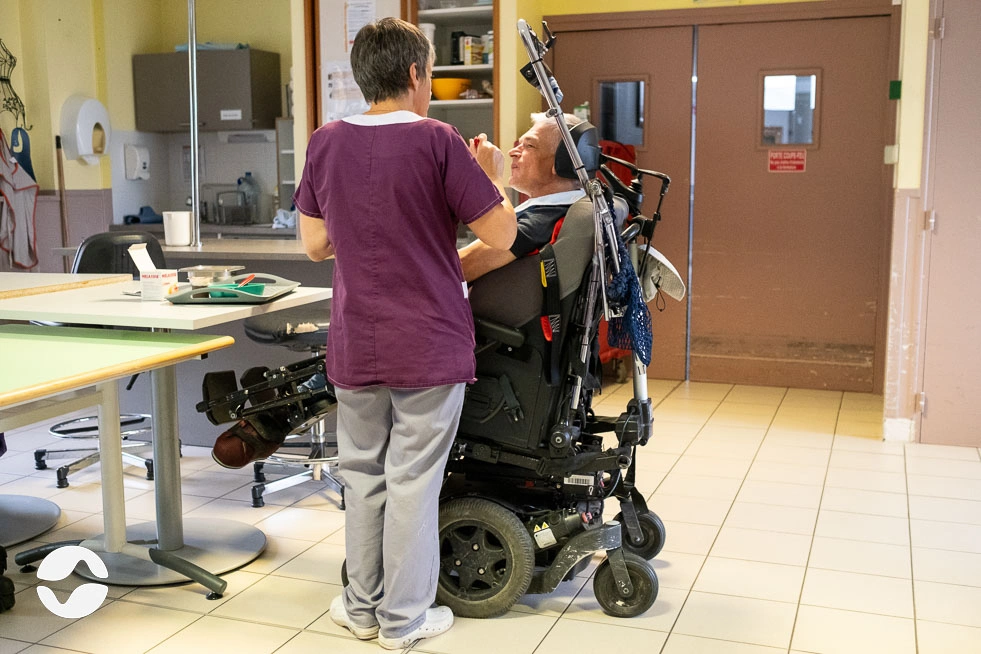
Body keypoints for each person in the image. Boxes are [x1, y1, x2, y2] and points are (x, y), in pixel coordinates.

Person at [292, 18, 516, 651]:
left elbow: (314, 245)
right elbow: (501, 236)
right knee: (413, 483)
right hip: (427, 343)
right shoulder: (439, 141)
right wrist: (494, 174)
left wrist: (368, 221)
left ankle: (360, 611)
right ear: (417, 74)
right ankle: (404, 622)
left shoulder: (325, 141)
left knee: (362, 477)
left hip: (356, 343)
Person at [459, 112, 587, 282]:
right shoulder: (563, 208)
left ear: (561, 162)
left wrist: (491, 177)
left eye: (529, 146)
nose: (512, 152)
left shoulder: (540, 222)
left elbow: (459, 267)